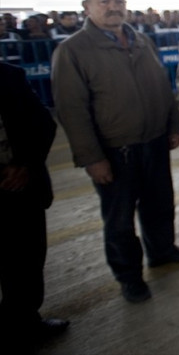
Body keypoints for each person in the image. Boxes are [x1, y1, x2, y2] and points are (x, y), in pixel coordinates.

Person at [50, 0, 179, 304]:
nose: (114, 6)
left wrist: (173, 124)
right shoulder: (73, 50)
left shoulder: (142, 41)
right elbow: (72, 110)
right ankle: (129, 276)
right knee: (119, 219)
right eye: (104, 1)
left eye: (119, 0)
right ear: (86, 7)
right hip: (115, 150)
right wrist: (92, 158)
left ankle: (162, 251)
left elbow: (163, 86)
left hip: (154, 142)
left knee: (160, 204)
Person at [0, 62, 69, 354]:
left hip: (23, 187)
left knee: (27, 258)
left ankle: (26, 321)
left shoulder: (8, 75)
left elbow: (42, 123)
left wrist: (25, 164)